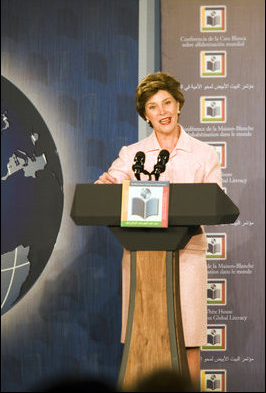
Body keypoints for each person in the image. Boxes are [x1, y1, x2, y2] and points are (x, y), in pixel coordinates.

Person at [95, 72, 222, 391]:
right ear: (146, 115)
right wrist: (107, 184)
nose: (162, 111)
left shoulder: (205, 154)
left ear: (179, 104)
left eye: (167, 102)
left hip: (186, 260)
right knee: (143, 341)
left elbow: (214, 203)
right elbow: (105, 189)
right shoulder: (132, 153)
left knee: (189, 343)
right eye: (153, 107)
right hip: (142, 261)